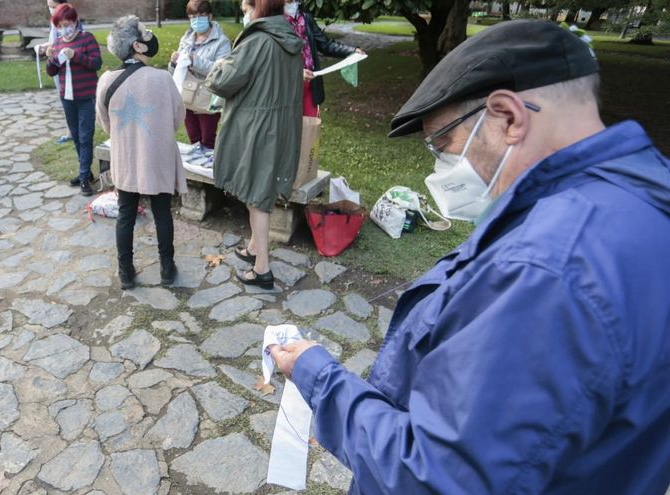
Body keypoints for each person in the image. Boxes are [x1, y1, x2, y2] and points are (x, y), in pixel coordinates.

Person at [269, 20, 670, 494]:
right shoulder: (642, 196)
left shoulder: (548, 267)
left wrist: (318, 375)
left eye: (443, 147)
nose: (440, 170)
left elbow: (436, 476)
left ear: (506, 117)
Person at [205, 0, 303, 290]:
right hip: (282, 125)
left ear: (257, 8)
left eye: (246, 6)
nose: (244, 11)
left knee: (257, 195)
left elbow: (222, 81)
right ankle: (253, 248)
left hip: (258, 128)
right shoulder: (289, 38)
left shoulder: (258, 41)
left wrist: (220, 63)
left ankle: (262, 269)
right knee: (259, 188)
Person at [96, 15, 186, 290]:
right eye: (145, 34)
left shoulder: (106, 81)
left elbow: (105, 124)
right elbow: (177, 118)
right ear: (137, 46)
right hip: (156, 156)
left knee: (125, 214)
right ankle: (167, 269)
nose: (150, 38)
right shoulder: (162, 79)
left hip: (125, 157)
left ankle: (125, 271)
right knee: (162, 213)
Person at [46, 3, 102, 196]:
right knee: (77, 138)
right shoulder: (58, 43)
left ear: (75, 22)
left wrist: (76, 56)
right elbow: (51, 71)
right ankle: (85, 172)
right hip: (67, 98)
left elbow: (96, 63)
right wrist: (51, 58)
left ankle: (85, 179)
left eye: (67, 24)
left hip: (86, 97)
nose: (64, 29)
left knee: (86, 138)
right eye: (59, 25)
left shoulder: (87, 39)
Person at [169, 0, 231, 156]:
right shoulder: (187, 38)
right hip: (187, 96)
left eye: (201, 15)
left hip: (208, 98)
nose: (196, 20)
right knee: (194, 139)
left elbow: (221, 70)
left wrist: (194, 60)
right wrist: (174, 62)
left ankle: (209, 176)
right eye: (192, 16)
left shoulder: (222, 41)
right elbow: (176, 72)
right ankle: (197, 174)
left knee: (208, 139)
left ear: (209, 16)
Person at [282, 0, 364, 117]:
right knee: (287, 130)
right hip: (286, 87)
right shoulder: (274, 21)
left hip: (309, 84)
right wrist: (297, 72)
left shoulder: (305, 18)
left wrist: (351, 51)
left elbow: (325, 44)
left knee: (310, 129)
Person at [44, 0, 73, 146]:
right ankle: (71, 131)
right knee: (64, 99)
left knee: (69, 99)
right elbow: (55, 41)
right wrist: (46, 47)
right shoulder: (55, 20)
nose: (50, 9)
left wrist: (48, 47)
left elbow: (66, 41)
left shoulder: (69, 19)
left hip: (65, 66)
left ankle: (71, 132)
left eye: (53, 6)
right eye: (48, 6)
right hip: (57, 63)